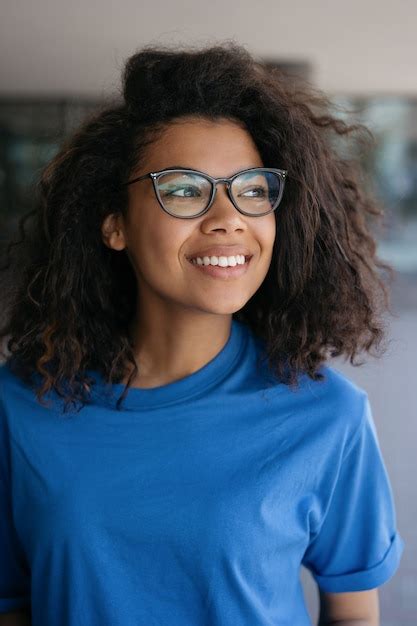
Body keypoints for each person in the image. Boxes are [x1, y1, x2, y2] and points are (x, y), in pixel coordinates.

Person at [0, 41, 405, 626]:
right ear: (114, 224)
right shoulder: (21, 405)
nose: (229, 217)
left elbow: (354, 613)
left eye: (253, 189)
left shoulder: (328, 416)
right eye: (185, 189)